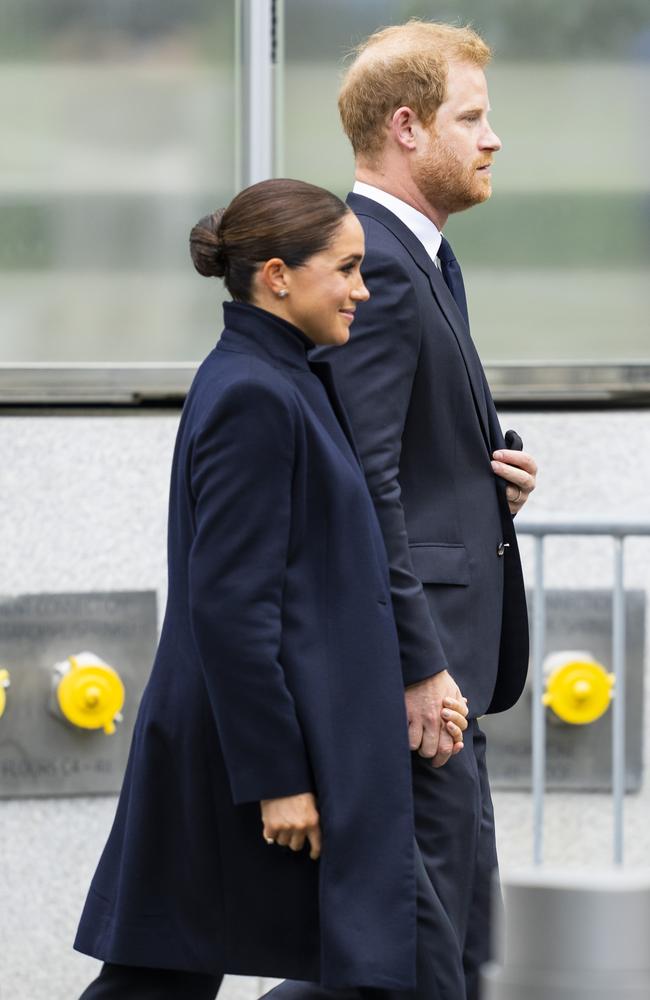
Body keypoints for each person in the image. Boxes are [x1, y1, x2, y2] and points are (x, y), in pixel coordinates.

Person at [72, 177, 469, 1000]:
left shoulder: (284, 376)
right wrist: (278, 778)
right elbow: (229, 608)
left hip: (267, 744)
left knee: (173, 978)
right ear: (279, 275)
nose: (363, 289)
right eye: (348, 269)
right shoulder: (256, 392)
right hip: (250, 758)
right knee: (394, 975)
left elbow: (320, 563)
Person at [264, 20, 538, 1000]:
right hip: (410, 684)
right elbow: (358, 481)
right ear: (408, 127)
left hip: (441, 682)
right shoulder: (367, 262)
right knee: (411, 965)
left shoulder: (414, 257)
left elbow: (396, 462)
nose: (492, 137)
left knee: (444, 958)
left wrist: (484, 475)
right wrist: (417, 666)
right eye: (473, 117)